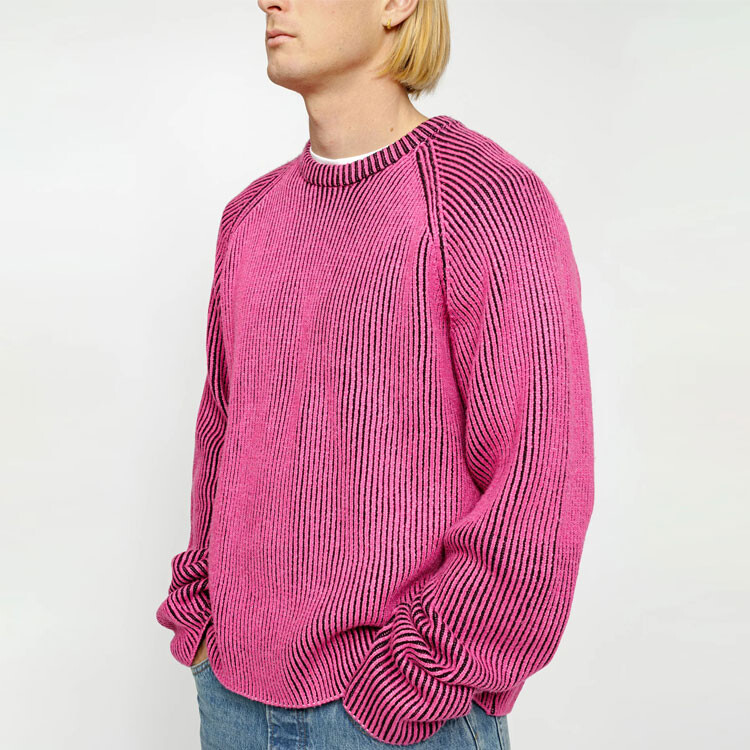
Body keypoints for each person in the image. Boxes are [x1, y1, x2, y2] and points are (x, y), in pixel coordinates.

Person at [155, 1, 595, 748]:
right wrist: (201, 618)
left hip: (398, 717)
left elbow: (540, 485)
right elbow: (223, 436)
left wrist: (413, 682)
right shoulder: (249, 219)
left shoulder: (485, 201)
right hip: (232, 698)